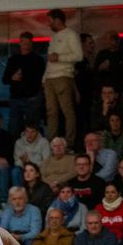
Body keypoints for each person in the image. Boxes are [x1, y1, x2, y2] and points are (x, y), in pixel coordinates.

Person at [43, 8, 83, 147]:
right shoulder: (53, 37)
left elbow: (79, 56)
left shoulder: (71, 34)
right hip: (50, 78)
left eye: (50, 21)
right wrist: (44, 78)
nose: (49, 24)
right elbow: (49, 60)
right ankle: (52, 143)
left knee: (67, 111)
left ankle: (69, 142)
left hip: (63, 76)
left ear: (58, 20)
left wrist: (59, 57)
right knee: (51, 112)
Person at [2, 32, 45, 137]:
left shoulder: (38, 60)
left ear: (31, 44)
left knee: (32, 129)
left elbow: (42, 79)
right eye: (24, 43)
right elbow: (5, 79)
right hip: (16, 98)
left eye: (28, 43)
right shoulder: (13, 60)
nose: (26, 46)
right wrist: (13, 77)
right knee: (14, 128)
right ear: (20, 43)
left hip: (32, 98)